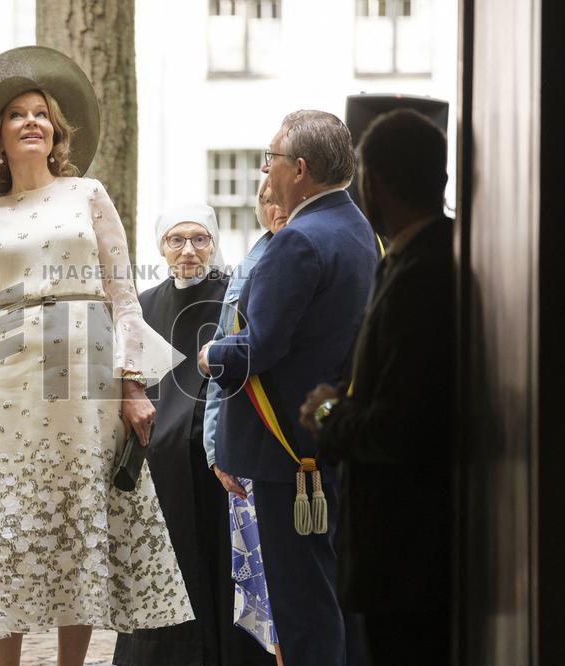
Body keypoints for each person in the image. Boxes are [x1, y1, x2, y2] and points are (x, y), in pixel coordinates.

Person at [0, 46, 192, 666]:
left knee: (77, 512)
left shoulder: (87, 193)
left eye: (42, 114)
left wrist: (133, 385)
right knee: (12, 516)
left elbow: (122, 293)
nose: (33, 122)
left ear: (56, 130)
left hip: (87, 360)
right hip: (15, 366)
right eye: (16, 115)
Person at [198, 110, 378, 666]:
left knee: (303, 612)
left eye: (270, 160)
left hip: (288, 454)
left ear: (299, 169)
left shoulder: (299, 240)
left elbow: (260, 347)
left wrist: (210, 356)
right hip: (327, 440)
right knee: (333, 599)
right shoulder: (357, 229)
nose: (264, 171)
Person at [298, 109, 454, 666]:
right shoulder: (423, 255)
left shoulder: (423, 274)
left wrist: (328, 412)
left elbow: (397, 424)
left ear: (373, 183)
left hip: (407, 550)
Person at [113, 205, 271, 666]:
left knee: (220, 565)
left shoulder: (233, 297)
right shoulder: (142, 306)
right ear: (161, 246)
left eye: (199, 239)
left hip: (219, 456)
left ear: (214, 242)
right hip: (158, 464)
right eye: (176, 240)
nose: (188, 250)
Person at [203, 178, 288, 666]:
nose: (274, 209)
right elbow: (221, 374)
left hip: (279, 440)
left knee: (287, 587)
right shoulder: (253, 261)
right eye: (265, 201)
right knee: (266, 585)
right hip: (246, 444)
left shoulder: (293, 257)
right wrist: (217, 448)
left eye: (280, 199)